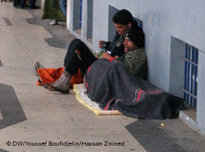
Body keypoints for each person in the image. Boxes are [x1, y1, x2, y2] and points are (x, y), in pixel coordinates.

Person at [43, 9, 144, 93]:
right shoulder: (122, 32)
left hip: (105, 68)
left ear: (129, 25)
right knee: (75, 43)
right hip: (103, 62)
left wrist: (110, 58)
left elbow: (122, 62)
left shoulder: (132, 38)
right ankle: (64, 77)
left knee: (78, 46)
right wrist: (107, 45)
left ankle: (65, 81)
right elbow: (115, 47)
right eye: (116, 27)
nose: (118, 30)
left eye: (120, 27)